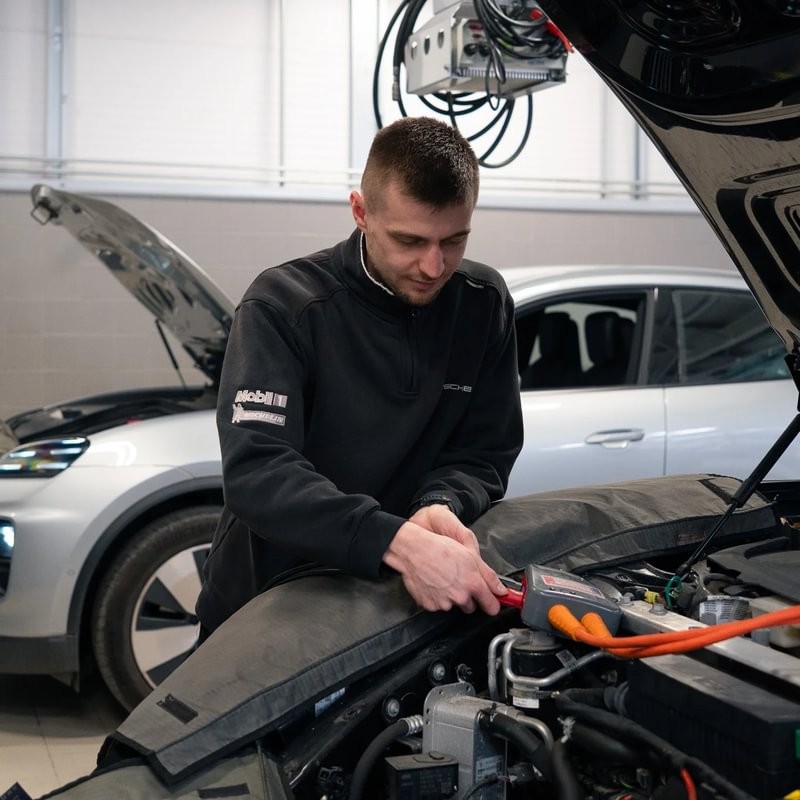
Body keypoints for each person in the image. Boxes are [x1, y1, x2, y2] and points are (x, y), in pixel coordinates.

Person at [195, 116, 524, 639]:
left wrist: (439, 505)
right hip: (267, 606)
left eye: (454, 240)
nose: (434, 266)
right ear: (360, 212)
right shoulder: (284, 305)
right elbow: (259, 472)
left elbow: (483, 450)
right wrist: (396, 542)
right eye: (409, 240)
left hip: (394, 605)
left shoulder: (482, 303)